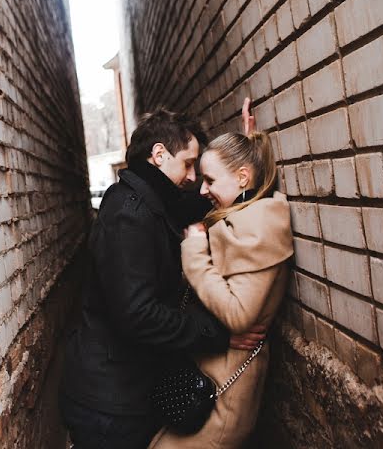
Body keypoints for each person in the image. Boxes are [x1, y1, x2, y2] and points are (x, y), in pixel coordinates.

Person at [60, 107, 265, 449]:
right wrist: (218, 333)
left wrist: (247, 159)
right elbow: (138, 316)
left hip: (123, 394)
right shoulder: (129, 214)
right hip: (108, 406)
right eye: (188, 164)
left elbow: (207, 202)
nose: (192, 177)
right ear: (159, 155)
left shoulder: (149, 199)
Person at [148, 129, 294, 449]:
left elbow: (239, 314)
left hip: (223, 396)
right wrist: (250, 142)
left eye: (210, 180)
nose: (202, 190)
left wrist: (195, 253)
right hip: (209, 380)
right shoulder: (247, 214)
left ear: (243, 177)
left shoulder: (259, 228)